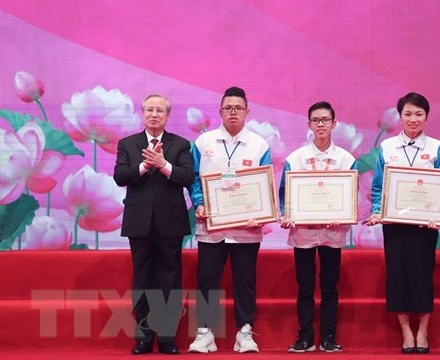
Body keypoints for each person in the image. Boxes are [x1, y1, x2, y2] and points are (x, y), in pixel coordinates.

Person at [188, 86, 271, 354]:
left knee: (244, 281)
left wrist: (261, 213)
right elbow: (193, 178)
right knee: (208, 280)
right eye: (228, 107)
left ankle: (244, 332)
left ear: (247, 111)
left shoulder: (260, 144)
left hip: (246, 228)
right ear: (220, 111)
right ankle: (205, 332)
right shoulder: (204, 142)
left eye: (238, 107)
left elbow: (265, 185)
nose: (233, 111)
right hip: (211, 227)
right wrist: (199, 204)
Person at [366, 92, 440, 355]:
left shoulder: (436, 147)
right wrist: (378, 212)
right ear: (400, 117)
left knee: (423, 276)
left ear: (426, 117)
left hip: (426, 225)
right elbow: (378, 187)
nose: (413, 119)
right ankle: (406, 332)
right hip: (395, 224)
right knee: (398, 277)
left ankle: (423, 331)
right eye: (408, 114)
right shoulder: (387, 148)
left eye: (419, 114)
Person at [113, 93, 193, 355]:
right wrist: (146, 165)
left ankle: (168, 338)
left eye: (160, 110)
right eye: (150, 110)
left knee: (169, 280)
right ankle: (144, 338)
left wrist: (164, 164)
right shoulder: (128, 144)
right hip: (139, 224)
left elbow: (186, 177)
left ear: (168, 116)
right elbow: (120, 177)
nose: (154, 114)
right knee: (143, 279)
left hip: (170, 223)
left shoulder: (180, 144)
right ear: (142, 113)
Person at [278, 101, 357, 353]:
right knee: (304, 286)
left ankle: (329, 337)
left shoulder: (346, 159)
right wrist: (286, 213)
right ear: (309, 124)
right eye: (316, 120)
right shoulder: (296, 158)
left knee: (330, 286)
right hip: (303, 231)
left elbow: (351, 196)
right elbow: (284, 194)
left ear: (335, 124)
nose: (321, 124)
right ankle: (305, 337)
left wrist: (344, 215)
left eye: (325, 120)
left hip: (333, 231)